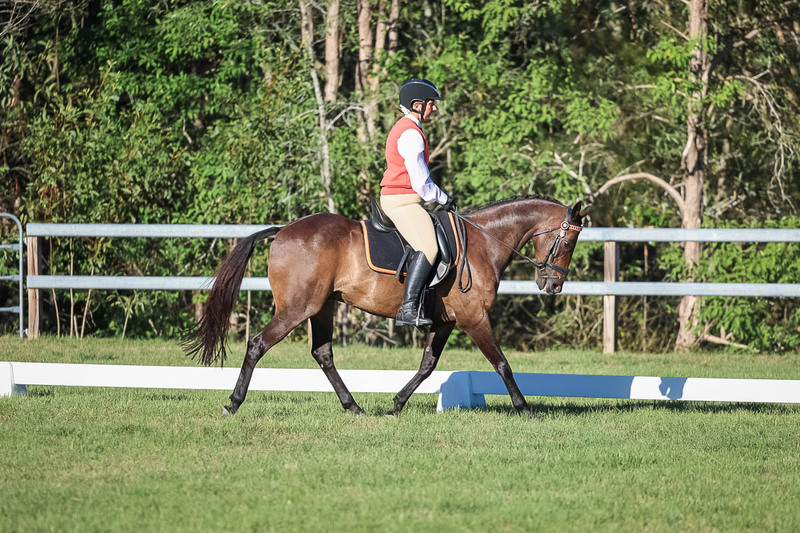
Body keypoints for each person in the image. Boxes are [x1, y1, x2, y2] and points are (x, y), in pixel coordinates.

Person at [380, 78, 455, 327]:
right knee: (429, 248)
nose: (434, 108)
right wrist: (444, 199)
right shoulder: (411, 133)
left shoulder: (408, 128)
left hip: (404, 199)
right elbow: (421, 181)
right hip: (402, 201)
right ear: (416, 104)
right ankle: (408, 308)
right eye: (431, 104)